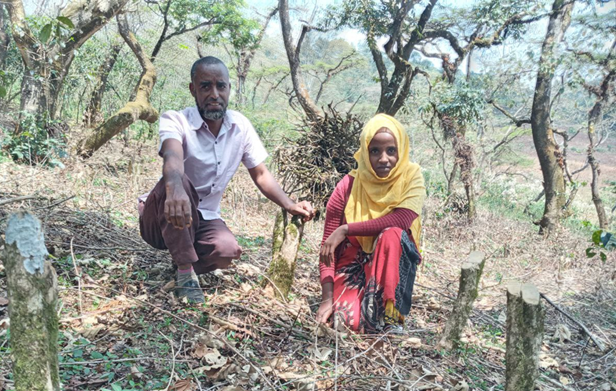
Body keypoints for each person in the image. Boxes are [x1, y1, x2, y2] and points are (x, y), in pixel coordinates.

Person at [139, 56, 314, 303]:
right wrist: (175, 186)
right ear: (193, 89)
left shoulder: (240, 127)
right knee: (183, 184)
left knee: (226, 251)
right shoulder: (175, 120)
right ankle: (185, 274)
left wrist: (289, 203)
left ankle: (182, 258)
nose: (214, 94)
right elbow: (172, 157)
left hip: (202, 217)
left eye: (221, 86)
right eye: (205, 86)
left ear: (229, 88)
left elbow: (261, 173)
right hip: (161, 213)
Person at [315, 114, 425, 333]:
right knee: (345, 322)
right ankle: (366, 312)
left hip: (393, 261)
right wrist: (327, 298)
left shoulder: (412, 176)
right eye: (375, 151)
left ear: (401, 150)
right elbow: (327, 250)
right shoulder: (347, 186)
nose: (383, 158)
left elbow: (402, 219)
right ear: (365, 152)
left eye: (391, 151)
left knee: (392, 233)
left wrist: (346, 229)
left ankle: (391, 315)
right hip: (355, 264)